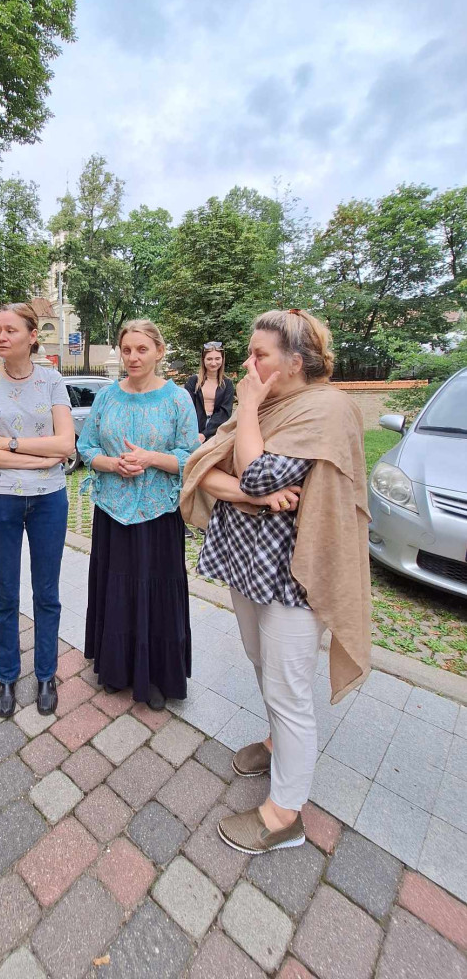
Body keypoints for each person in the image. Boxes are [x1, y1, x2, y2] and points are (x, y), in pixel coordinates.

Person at [180, 308, 371, 855]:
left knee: (290, 691)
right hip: (247, 561)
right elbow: (204, 465)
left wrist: (244, 410)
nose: (248, 364)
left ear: (297, 360)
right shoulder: (272, 405)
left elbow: (258, 468)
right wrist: (252, 494)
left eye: (259, 355)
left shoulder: (326, 408)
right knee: (260, 661)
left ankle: (285, 814)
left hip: (293, 574)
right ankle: (274, 742)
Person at [77, 320, 200, 710]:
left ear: (159, 352)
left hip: (159, 514)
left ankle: (159, 676)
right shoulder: (106, 398)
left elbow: (190, 457)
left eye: (142, 349)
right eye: (127, 349)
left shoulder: (178, 399)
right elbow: (86, 445)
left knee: (156, 591)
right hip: (113, 514)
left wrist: (149, 458)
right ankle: (115, 669)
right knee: (116, 589)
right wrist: (112, 464)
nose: (133, 357)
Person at [0, 303, 75, 719]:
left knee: (47, 593)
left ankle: (47, 673)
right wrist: (38, 457)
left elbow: (66, 445)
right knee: (5, 594)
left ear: (33, 336)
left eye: (10, 329)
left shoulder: (52, 379)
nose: (0, 336)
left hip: (49, 499)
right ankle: (7, 675)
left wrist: (7, 445)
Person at [184, 341, 235, 443]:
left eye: (217, 359)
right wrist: (195, 432)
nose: (213, 363)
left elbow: (225, 412)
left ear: (222, 359)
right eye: (209, 359)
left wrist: (205, 433)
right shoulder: (193, 381)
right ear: (203, 360)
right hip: (194, 428)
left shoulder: (227, 384)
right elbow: (186, 408)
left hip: (217, 429)